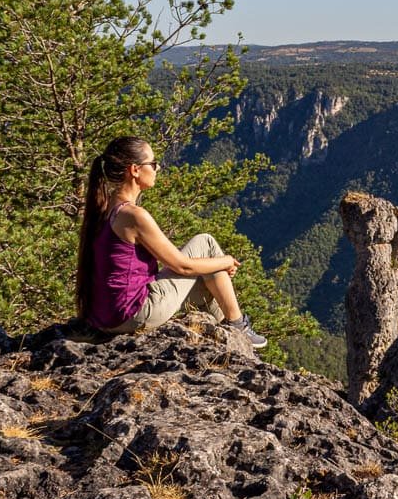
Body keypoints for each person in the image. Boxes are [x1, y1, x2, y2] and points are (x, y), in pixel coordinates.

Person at [74, 136, 267, 348]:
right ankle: (238, 327)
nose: (157, 169)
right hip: (132, 313)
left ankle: (229, 336)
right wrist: (225, 261)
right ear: (135, 170)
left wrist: (216, 268)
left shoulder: (105, 208)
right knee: (206, 242)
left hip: (105, 316)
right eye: (153, 164)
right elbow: (182, 266)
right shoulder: (133, 215)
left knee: (209, 283)